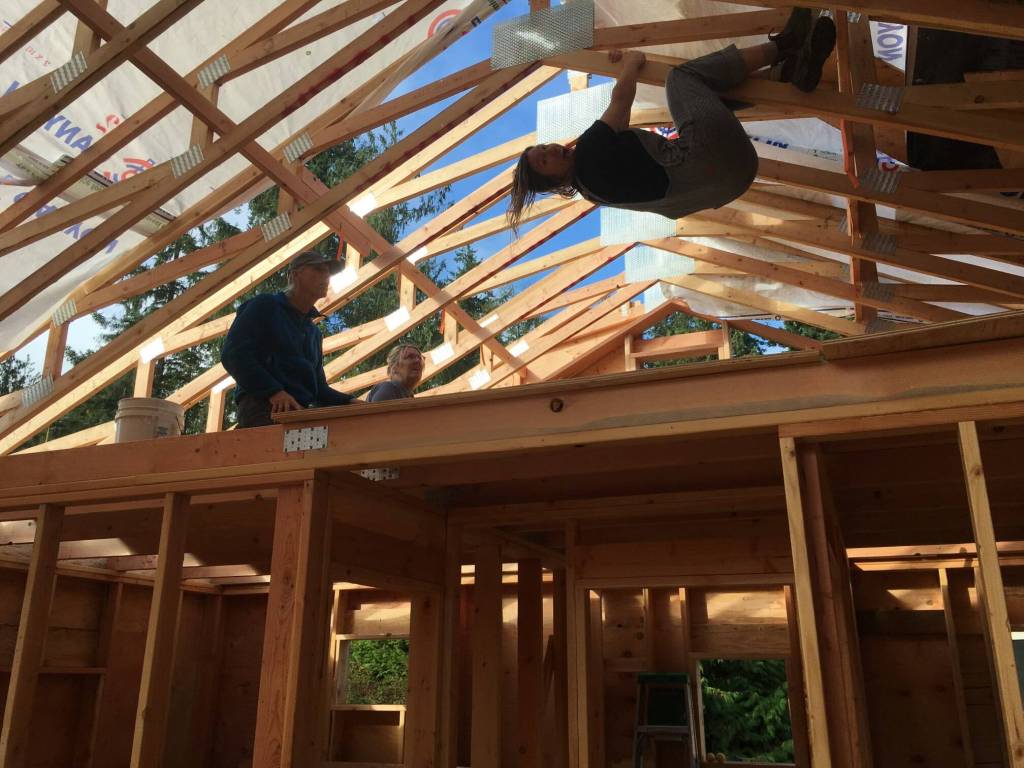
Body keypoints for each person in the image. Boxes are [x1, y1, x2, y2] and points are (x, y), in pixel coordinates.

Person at [507, 9, 836, 230]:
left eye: (544, 147)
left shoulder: (596, 195)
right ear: (554, 182)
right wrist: (630, 65)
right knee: (681, 80)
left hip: (735, 179)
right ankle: (785, 45)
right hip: (709, 159)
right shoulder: (589, 155)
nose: (551, 149)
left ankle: (789, 74)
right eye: (545, 159)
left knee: (705, 100)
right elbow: (620, 103)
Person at [221, 250, 354, 428]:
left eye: (328, 272)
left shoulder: (313, 333)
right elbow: (233, 354)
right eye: (318, 270)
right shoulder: (265, 306)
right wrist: (274, 392)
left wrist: (351, 402)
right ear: (295, 275)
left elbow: (319, 389)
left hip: (298, 412)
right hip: (264, 408)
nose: (326, 276)